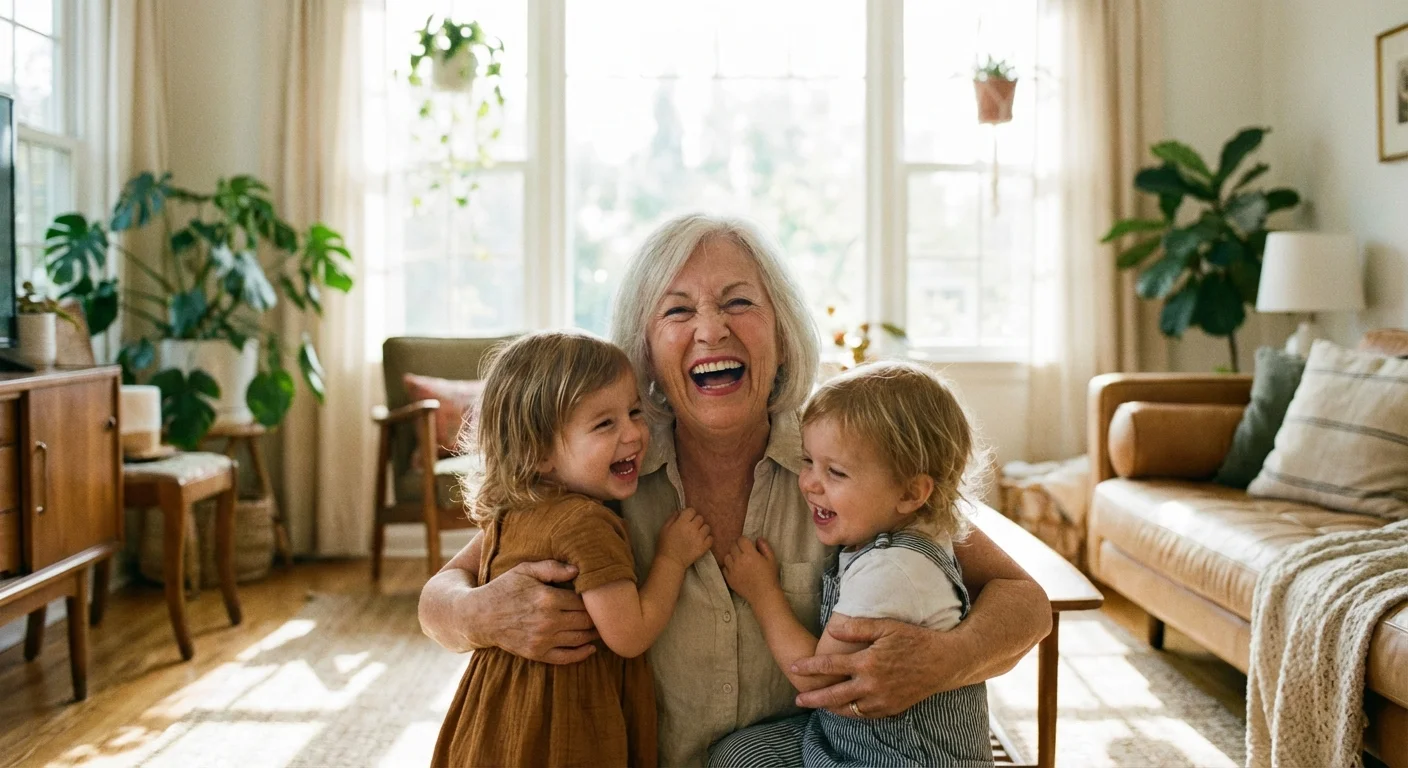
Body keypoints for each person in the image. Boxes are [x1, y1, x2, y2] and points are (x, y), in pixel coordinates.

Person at [419, 213, 1052, 766]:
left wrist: (946, 661)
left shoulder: (849, 461)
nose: (711, 329)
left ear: (781, 333)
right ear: (644, 347)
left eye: (739, 302)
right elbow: (437, 600)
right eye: (678, 309)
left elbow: (1025, 600)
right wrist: (482, 614)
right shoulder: (602, 471)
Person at [431, 331, 712, 767]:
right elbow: (630, 635)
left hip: (491, 717)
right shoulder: (586, 523)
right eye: (605, 424)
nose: (635, 433)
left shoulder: (513, 512)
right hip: (561, 728)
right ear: (539, 452)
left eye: (635, 411)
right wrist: (672, 559)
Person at [710, 362, 993, 766]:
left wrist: (762, 592)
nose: (809, 482)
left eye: (836, 472)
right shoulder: (905, 533)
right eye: (808, 461)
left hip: (903, 758)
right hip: (847, 739)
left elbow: (817, 676)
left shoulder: (893, 571)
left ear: (912, 492)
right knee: (741, 753)